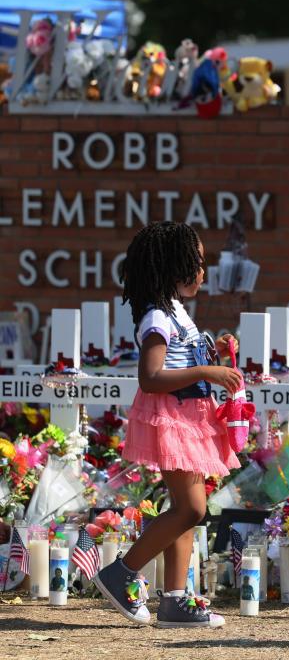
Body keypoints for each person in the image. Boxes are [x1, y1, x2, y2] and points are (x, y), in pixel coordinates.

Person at [94, 222, 242, 629]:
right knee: (191, 509)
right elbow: (151, 376)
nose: (202, 272)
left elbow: (185, 358)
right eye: (196, 263)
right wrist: (208, 371)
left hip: (191, 416)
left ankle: (175, 600)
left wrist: (217, 351)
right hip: (173, 418)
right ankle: (122, 572)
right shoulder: (157, 316)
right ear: (173, 266)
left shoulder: (176, 310)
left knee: (188, 511)